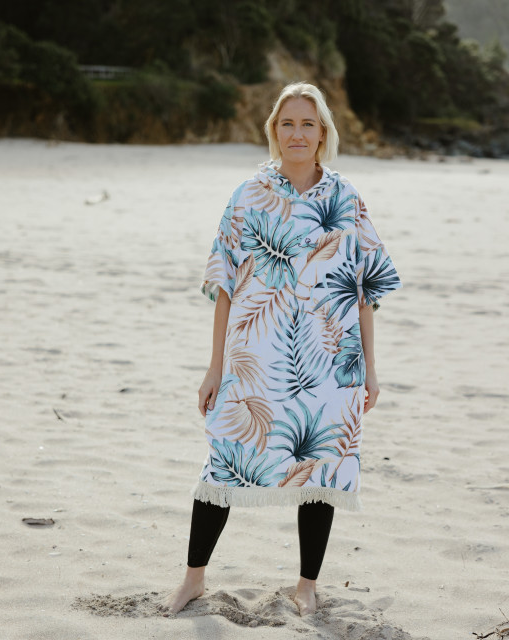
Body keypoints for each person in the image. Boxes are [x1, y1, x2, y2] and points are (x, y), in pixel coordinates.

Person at [160, 81, 403, 618]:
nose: (297, 133)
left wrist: (370, 369)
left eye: (307, 124)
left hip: (332, 362)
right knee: (224, 460)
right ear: (274, 130)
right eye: (287, 123)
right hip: (253, 358)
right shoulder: (249, 195)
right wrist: (214, 367)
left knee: (321, 468)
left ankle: (307, 585)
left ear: (322, 133)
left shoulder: (346, 198)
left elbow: (366, 289)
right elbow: (224, 285)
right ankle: (193, 579)